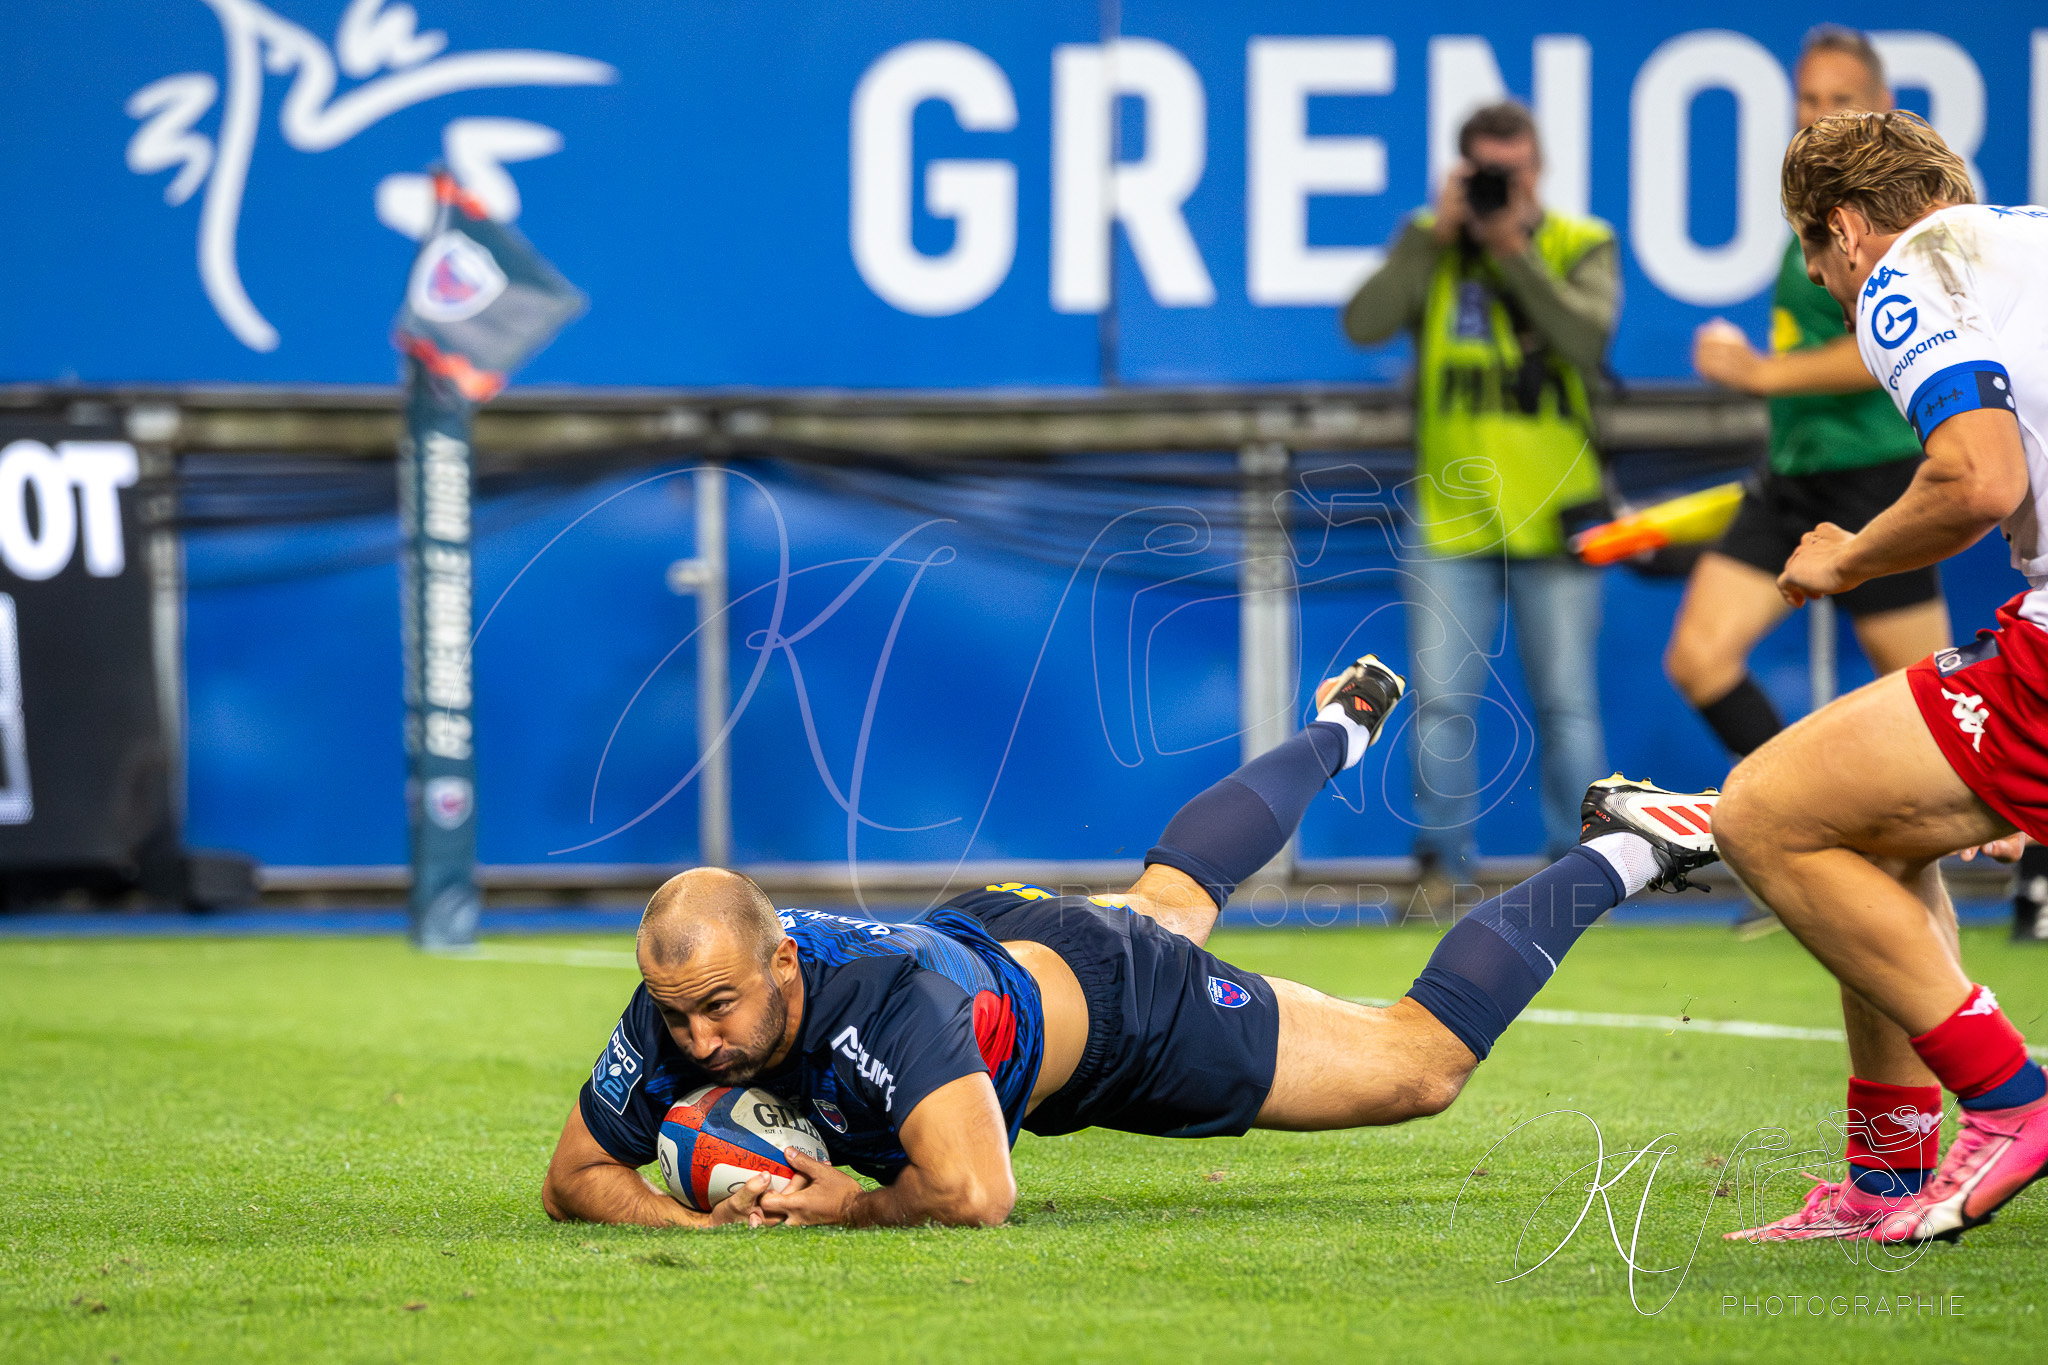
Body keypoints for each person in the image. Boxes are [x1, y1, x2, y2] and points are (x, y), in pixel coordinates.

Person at [542, 656, 1722, 1228]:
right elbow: (574, 1181)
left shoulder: (877, 1003)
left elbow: (973, 1195)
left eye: (720, 1009)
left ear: (781, 963)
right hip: (999, 937)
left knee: (1416, 1065)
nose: (700, 1039)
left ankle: (1627, 844)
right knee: (1165, 892)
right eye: (681, 1017)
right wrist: (691, 1222)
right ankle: (1332, 732)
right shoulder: (689, 983)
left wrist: (841, 1211)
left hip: (1117, 1012)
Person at [1714, 110, 2048, 1245]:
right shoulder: (2029, 241)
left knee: (1761, 812)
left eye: (1814, 258)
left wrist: (1845, 555)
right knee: (1862, 830)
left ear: (1846, 225)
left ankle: (2008, 1099)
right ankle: (1888, 1178)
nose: (1823, 280)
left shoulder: (1905, 273)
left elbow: (1975, 476)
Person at [1343, 101, 1617, 898]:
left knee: (1566, 703)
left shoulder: (1578, 244)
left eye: (1517, 169)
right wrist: (1435, 236)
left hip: (1557, 506)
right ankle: (1439, 867)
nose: (1506, 184)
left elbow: (1588, 340)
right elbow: (1363, 322)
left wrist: (1512, 252)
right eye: (1489, 172)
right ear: (1461, 172)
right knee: (1440, 703)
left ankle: (1579, 872)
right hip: (1451, 510)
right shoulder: (1433, 245)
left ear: (1541, 168)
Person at [1672, 27, 1950, 764]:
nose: (1820, 115)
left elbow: (1893, 342)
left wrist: (1759, 372)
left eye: (1842, 100)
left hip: (1875, 478)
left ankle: (2037, 866)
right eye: (1809, 98)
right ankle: (1802, 814)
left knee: (1942, 710)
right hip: (1792, 478)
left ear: (1884, 109)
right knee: (1699, 655)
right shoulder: (1814, 205)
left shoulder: (1894, 215)